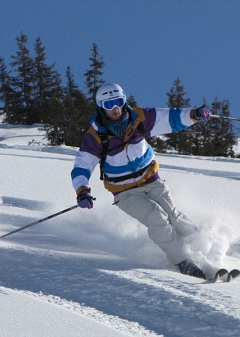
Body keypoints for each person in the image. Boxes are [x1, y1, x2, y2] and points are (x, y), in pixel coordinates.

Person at [71, 83, 211, 279]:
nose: (115, 109)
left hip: (151, 180)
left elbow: (170, 118)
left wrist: (193, 115)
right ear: (101, 106)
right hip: (125, 192)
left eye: (118, 102)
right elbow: (82, 166)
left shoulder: (139, 118)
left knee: (173, 215)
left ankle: (202, 246)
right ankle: (184, 261)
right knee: (157, 219)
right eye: (109, 104)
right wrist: (82, 190)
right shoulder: (94, 136)